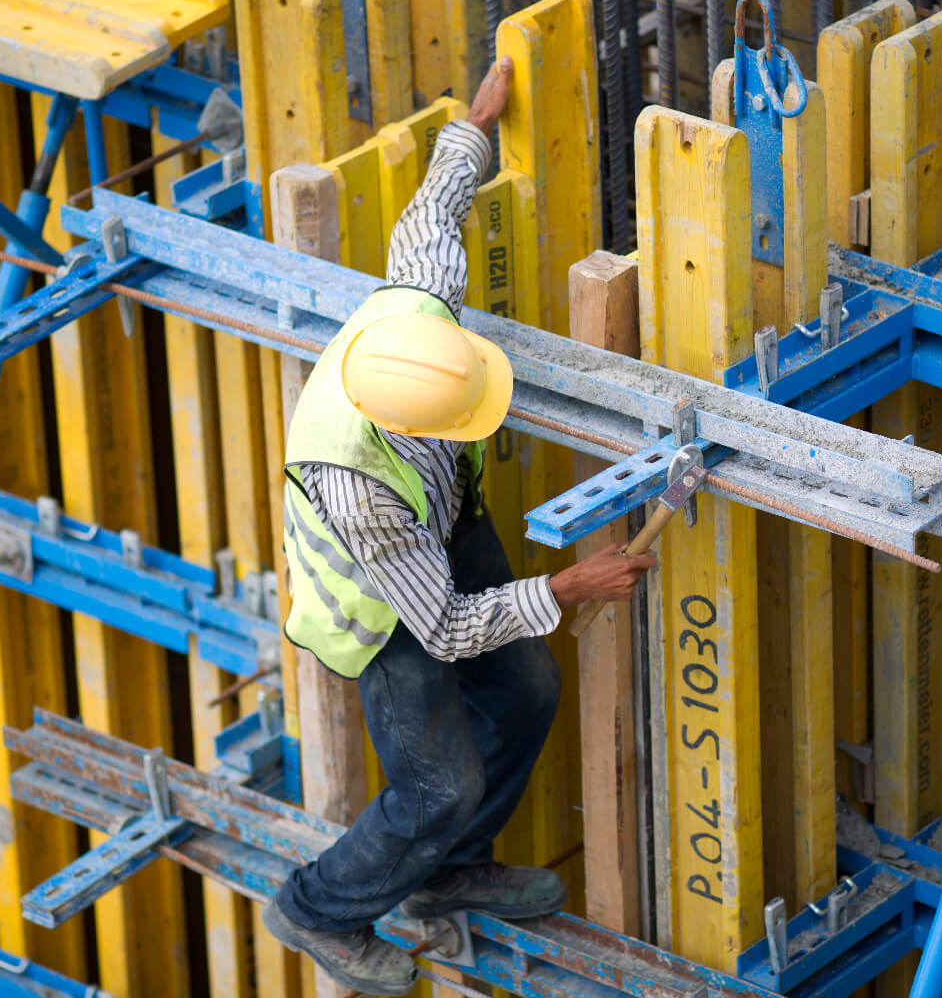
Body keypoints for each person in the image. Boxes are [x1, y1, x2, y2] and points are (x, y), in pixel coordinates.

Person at [261, 56, 658, 997]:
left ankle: (446, 872)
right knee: (438, 785)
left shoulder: (418, 310)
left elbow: (433, 209)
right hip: (380, 600)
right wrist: (567, 587)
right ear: (408, 423)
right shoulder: (361, 490)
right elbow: (436, 626)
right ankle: (320, 910)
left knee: (526, 692)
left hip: (447, 523)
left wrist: (475, 124)